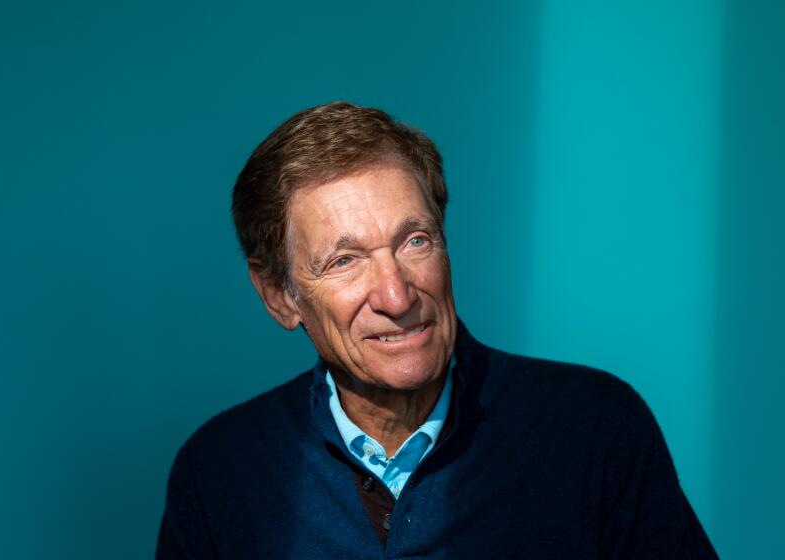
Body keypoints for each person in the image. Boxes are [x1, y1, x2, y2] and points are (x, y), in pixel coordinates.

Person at [156, 102, 718, 559]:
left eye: (414, 241)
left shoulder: (596, 430)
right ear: (280, 296)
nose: (397, 297)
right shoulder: (220, 473)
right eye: (345, 261)